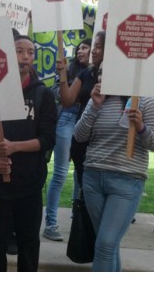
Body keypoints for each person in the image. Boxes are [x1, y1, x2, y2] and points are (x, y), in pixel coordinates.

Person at [0, 34, 57, 271]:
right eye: (19, 51)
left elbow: (48, 138)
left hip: (29, 184)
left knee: (29, 244)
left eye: (30, 52)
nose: (25, 56)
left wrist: (14, 147)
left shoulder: (43, 94)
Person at [74, 60, 154, 272]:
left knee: (105, 244)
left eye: (108, 71)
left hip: (127, 182)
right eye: (100, 72)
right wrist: (94, 106)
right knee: (107, 245)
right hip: (93, 178)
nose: (102, 77)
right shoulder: (97, 100)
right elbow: (79, 135)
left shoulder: (146, 101)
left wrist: (141, 127)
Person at [43, 39, 91, 241]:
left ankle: (77, 215)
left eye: (86, 48)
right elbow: (55, 91)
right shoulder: (68, 69)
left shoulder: (97, 73)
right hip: (66, 119)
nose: (81, 51)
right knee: (61, 173)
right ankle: (51, 223)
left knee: (82, 172)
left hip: (86, 121)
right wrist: (70, 89)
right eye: (79, 47)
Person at [58, 32, 105, 202]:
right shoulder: (86, 74)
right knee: (84, 186)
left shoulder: (119, 76)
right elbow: (67, 101)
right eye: (94, 46)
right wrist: (63, 75)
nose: (94, 51)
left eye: (98, 47)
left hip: (105, 141)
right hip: (83, 138)